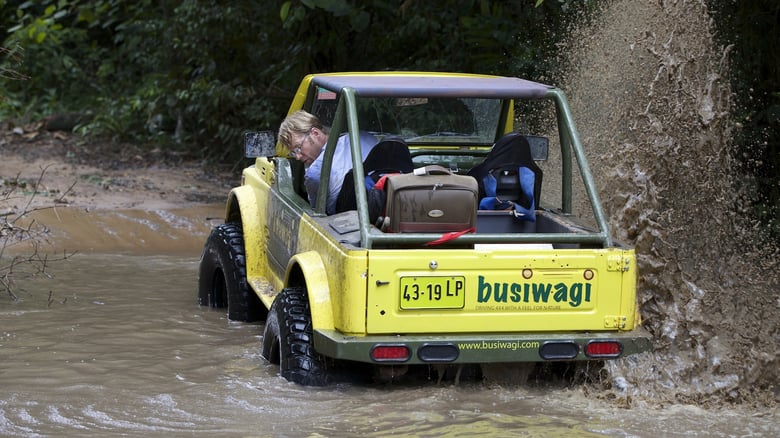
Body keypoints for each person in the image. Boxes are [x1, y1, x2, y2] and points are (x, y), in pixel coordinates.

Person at [278, 110, 378, 214]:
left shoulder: (315, 174)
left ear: (315, 133)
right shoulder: (365, 138)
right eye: (293, 153)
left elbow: (317, 215)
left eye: (298, 148)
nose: (297, 157)